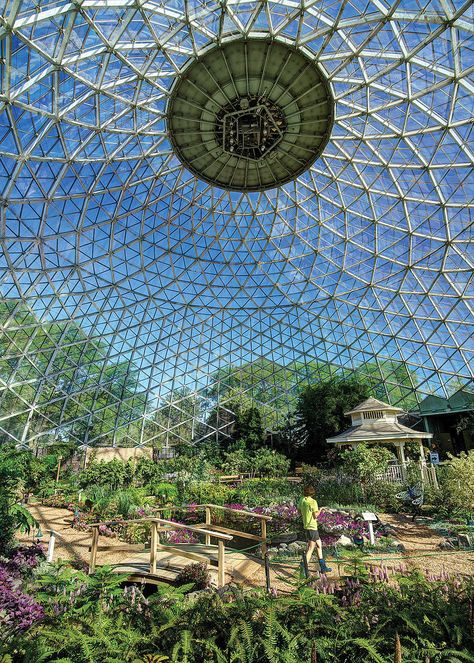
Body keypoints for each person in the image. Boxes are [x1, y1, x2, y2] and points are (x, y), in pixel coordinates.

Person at [297, 486, 332, 573]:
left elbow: (299, 511)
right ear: (312, 493)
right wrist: (320, 510)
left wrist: (306, 515)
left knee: (319, 545)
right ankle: (303, 568)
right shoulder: (313, 502)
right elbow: (315, 515)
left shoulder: (302, 499)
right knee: (310, 548)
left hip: (307, 526)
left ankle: (323, 567)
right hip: (312, 527)